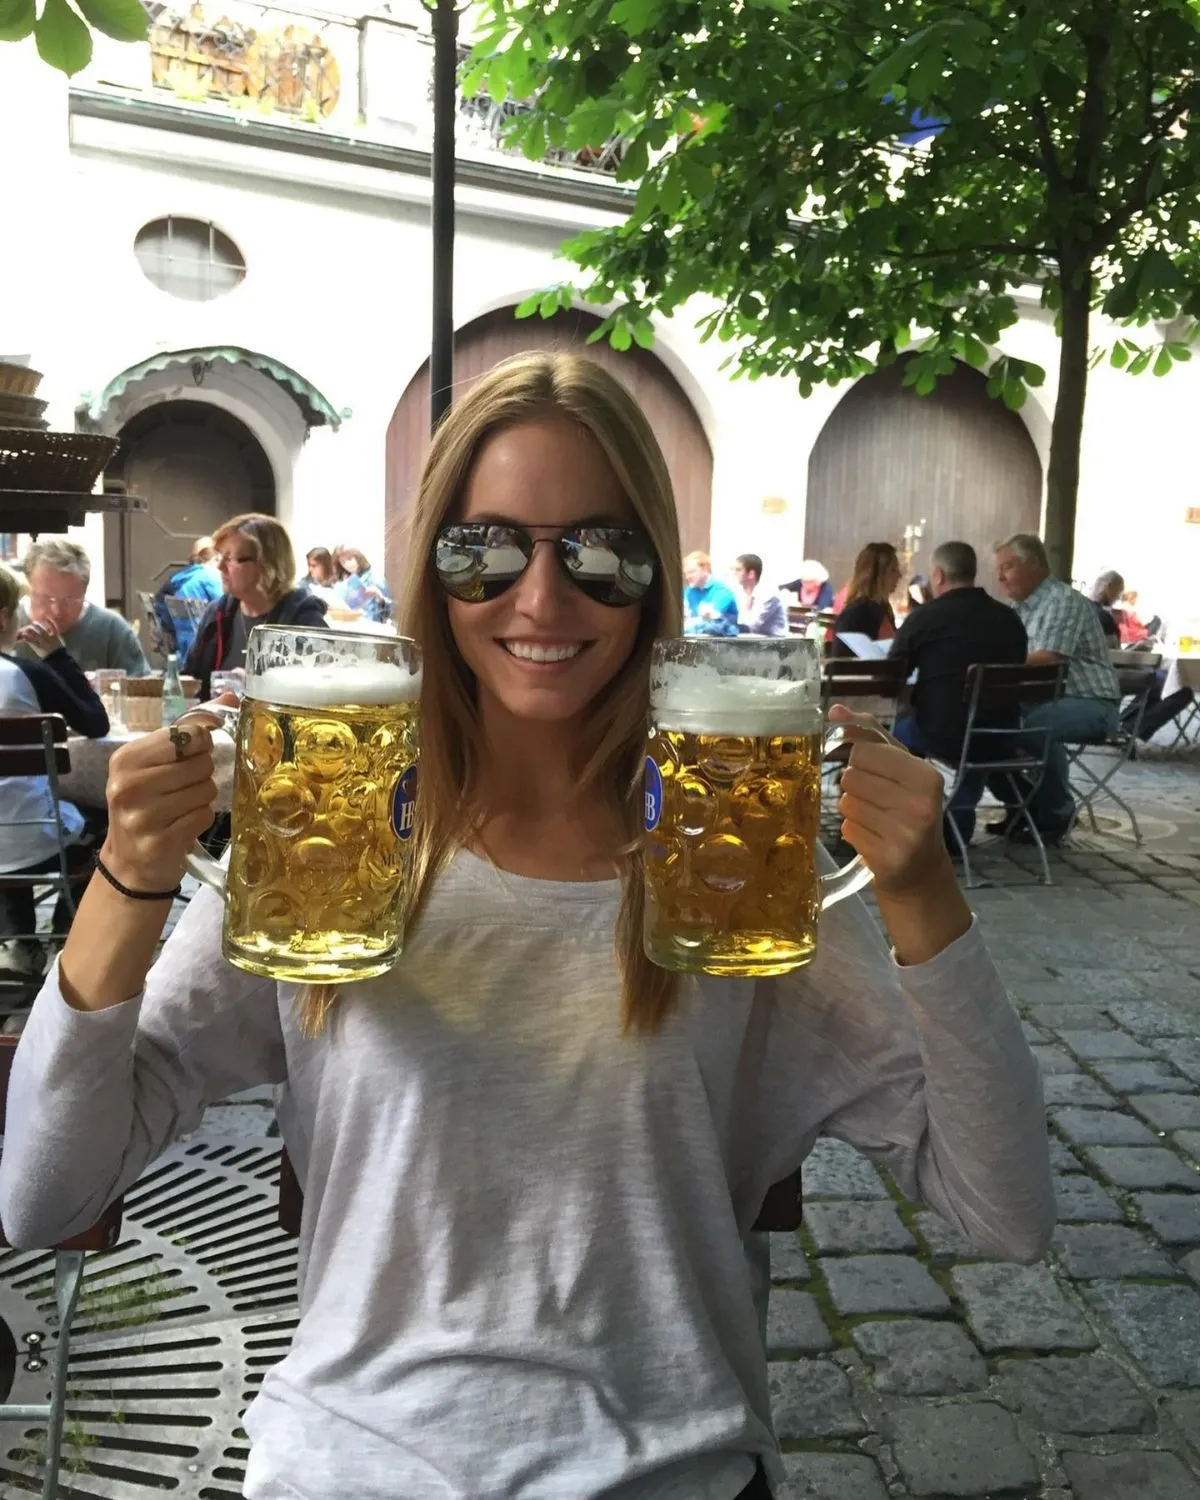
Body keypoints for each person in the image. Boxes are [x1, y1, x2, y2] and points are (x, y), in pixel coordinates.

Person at [0, 353, 1053, 1500]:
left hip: (670, 1471)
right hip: (354, 1465)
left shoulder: (734, 876)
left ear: (655, 575)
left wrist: (923, 897)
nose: (542, 599)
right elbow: (47, 1197)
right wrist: (129, 883)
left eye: (601, 553)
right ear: (431, 574)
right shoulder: (332, 849)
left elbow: (1005, 1213)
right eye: (484, 549)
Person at [0, 563, 108, 985]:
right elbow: (95, 723)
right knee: (98, 818)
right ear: (5, 618)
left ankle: (17, 943)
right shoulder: (25, 674)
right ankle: (69, 935)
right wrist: (55, 655)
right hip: (36, 841)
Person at [890, 542, 1028, 847]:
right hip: (1003, 732)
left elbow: (892, 674)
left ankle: (913, 816)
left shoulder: (926, 617)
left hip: (941, 731)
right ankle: (955, 826)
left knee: (894, 737)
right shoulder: (1009, 619)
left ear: (938, 575)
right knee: (976, 733)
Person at [994, 534, 1121, 841]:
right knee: (984, 730)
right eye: (998, 568)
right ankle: (1021, 806)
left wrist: (989, 663)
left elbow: (1048, 659)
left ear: (1034, 564)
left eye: (1007, 567)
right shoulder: (1017, 608)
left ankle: (1056, 815)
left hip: (1090, 701)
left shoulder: (1062, 600)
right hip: (1041, 699)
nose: (999, 576)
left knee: (1033, 727)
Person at [184, 514, 328, 699]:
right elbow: (192, 679)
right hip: (217, 725)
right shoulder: (217, 614)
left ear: (266, 564)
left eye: (230, 558)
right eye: (220, 557)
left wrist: (258, 686)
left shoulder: (302, 621)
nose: (220, 567)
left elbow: (320, 692)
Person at [16, 537, 150, 677]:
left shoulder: (111, 629)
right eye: (47, 598)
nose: (57, 611)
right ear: (29, 589)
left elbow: (141, 689)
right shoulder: (7, 626)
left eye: (69, 600)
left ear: (84, 593)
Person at [153, 536, 223, 659]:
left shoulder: (181, 579)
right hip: (204, 645)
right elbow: (228, 604)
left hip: (183, 643)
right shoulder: (211, 575)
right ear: (216, 558)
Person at [829, 542, 901, 656]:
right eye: (893, 570)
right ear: (875, 575)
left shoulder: (883, 607)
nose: (899, 575)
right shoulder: (857, 613)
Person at [683, 550, 740, 635]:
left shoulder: (722, 591)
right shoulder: (688, 592)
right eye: (686, 573)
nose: (688, 577)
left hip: (721, 642)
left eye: (692, 572)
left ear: (705, 569)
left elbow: (711, 619)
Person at [732, 553, 787, 637]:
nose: (734, 573)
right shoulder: (739, 591)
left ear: (751, 574)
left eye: (738, 570)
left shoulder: (768, 593)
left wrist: (728, 627)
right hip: (752, 640)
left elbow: (752, 625)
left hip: (774, 642)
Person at [333, 545, 392, 623]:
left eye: (349, 559)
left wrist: (379, 596)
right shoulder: (347, 582)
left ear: (358, 557)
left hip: (373, 626)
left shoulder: (375, 578)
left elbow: (388, 613)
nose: (347, 564)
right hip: (354, 624)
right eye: (343, 562)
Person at [1088, 570, 1123, 645]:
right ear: (1109, 587)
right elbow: (1114, 653)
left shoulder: (1079, 609)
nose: (1118, 597)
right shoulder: (1104, 618)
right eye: (1119, 591)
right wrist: (1137, 647)